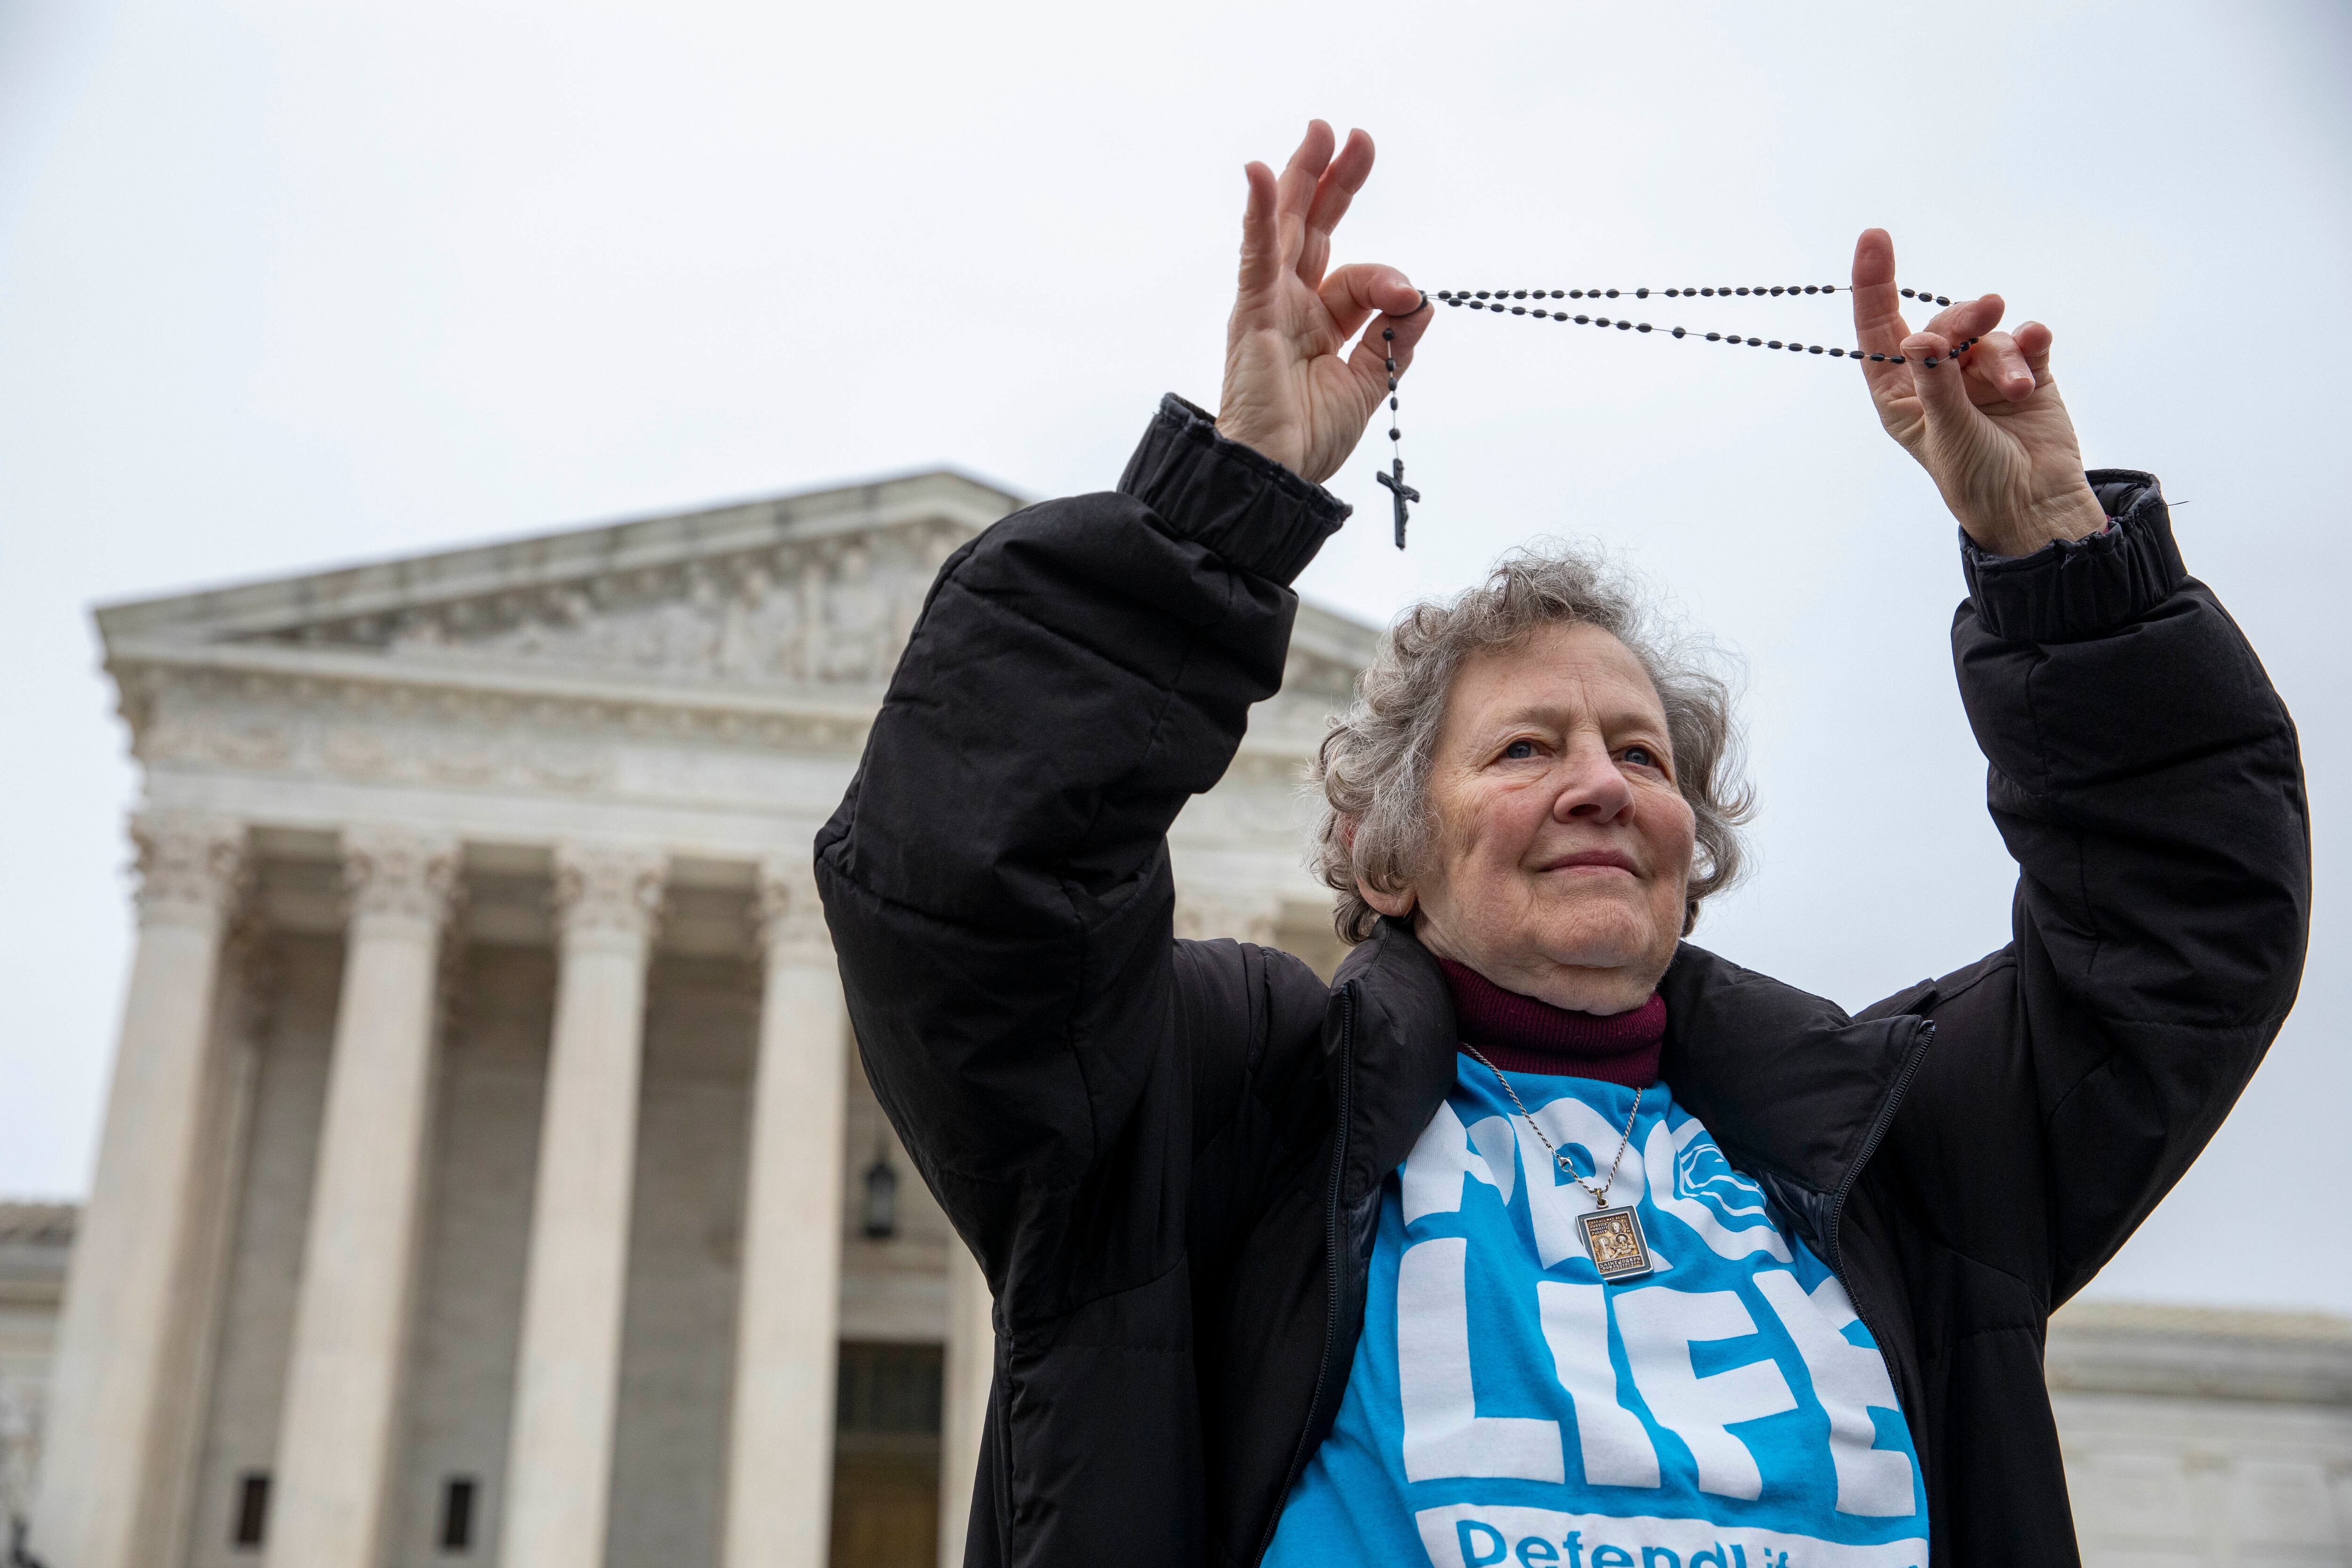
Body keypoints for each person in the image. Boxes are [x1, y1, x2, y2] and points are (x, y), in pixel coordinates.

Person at [813, 121, 2309, 1568]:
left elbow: (2180, 937)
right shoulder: (1217, 1121)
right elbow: (970, 880)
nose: (1600, 784)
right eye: (1527, 748)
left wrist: (2061, 559)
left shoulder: (1888, 1148)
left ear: (1687, 845)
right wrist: (1221, 505)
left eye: (1641, 754)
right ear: (1383, 857)